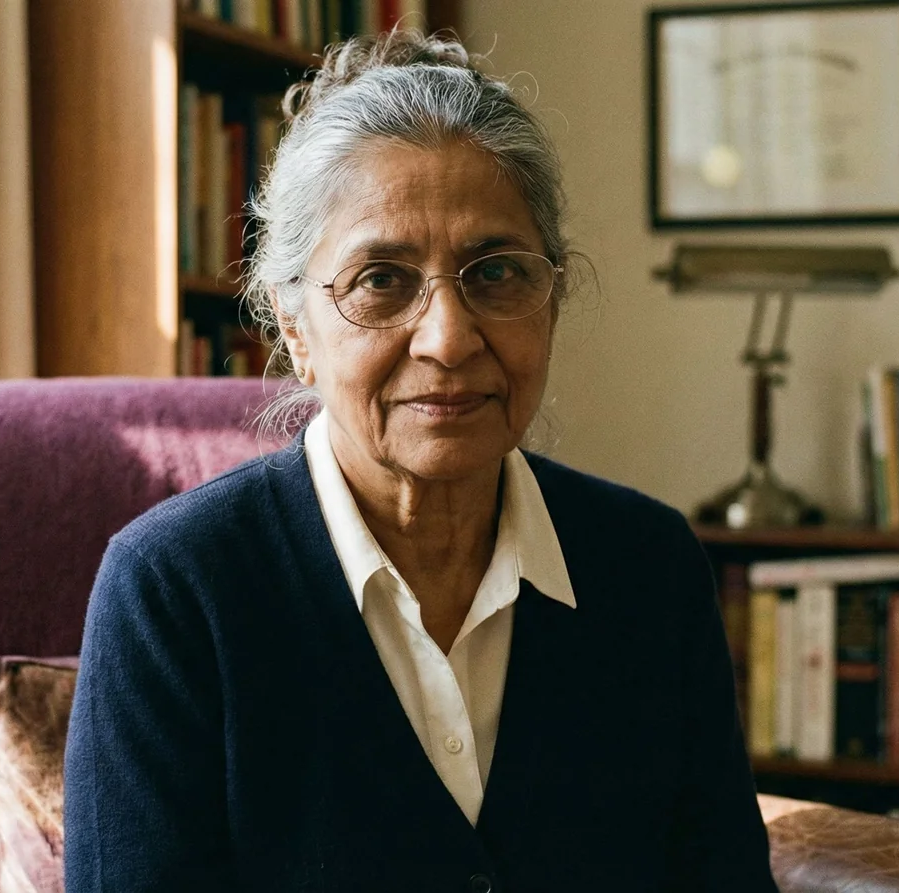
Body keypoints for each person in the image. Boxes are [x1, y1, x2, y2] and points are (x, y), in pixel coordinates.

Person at [64, 28, 777, 893]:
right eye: (382, 280)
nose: (447, 338)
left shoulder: (650, 567)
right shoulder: (175, 590)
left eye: (496, 273)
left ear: (551, 299)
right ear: (295, 328)